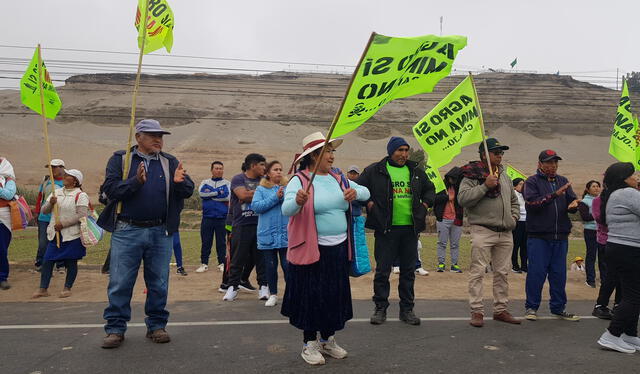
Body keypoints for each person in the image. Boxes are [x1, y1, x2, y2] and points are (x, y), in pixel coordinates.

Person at [98, 119, 194, 349]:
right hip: (127, 230)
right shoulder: (121, 160)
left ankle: (157, 326)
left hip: (161, 231)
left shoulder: (170, 162)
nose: (158, 139)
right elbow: (110, 190)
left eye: (160, 135)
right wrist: (135, 182)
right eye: (152, 135)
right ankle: (115, 329)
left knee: (159, 282)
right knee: (120, 282)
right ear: (138, 137)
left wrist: (180, 183)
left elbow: (188, 190)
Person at [281, 132, 370, 365]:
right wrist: (298, 201)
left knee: (334, 295)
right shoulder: (299, 180)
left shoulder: (338, 178)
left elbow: (366, 192)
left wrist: (355, 192)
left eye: (332, 151)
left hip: (339, 249)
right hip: (312, 250)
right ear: (313, 156)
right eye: (327, 151)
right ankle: (309, 344)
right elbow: (287, 209)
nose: (331, 156)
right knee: (312, 296)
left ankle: (328, 340)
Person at [357, 136, 435, 326]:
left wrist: (424, 205)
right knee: (383, 271)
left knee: (408, 272)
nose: (404, 154)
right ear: (391, 151)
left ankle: (407, 310)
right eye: (400, 150)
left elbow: (431, 190)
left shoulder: (416, 171)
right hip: (386, 230)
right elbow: (357, 188)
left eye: (406, 150)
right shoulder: (375, 170)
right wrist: (368, 203)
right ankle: (380, 309)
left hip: (410, 229)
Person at [457, 138, 521, 327]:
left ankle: (500, 310)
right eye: (496, 152)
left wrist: (514, 218)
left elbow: (514, 201)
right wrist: (485, 186)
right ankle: (477, 311)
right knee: (477, 272)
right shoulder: (471, 175)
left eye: (501, 152)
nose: (500, 155)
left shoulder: (505, 176)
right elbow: (462, 199)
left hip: (505, 232)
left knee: (502, 273)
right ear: (485, 154)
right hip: (482, 230)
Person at [523, 150, 580, 322]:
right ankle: (531, 307)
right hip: (539, 236)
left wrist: (574, 205)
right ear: (540, 164)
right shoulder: (531, 182)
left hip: (560, 236)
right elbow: (532, 204)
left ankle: (558, 308)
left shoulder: (563, 181)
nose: (553, 166)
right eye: (549, 163)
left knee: (559, 274)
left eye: (555, 163)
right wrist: (555, 194)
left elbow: (572, 200)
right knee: (536, 273)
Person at [596, 162, 640, 353]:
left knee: (630, 293)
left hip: (618, 248)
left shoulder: (614, 194)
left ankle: (629, 334)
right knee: (634, 296)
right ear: (624, 178)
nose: (636, 178)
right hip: (629, 249)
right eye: (633, 175)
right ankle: (612, 335)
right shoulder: (628, 193)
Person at [32, 169, 88, 298]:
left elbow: (81, 215)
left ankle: (67, 287)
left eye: (68, 176)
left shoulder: (80, 195)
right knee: (47, 260)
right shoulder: (55, 192)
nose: (65, 176)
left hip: (72, 235)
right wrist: (50, 203)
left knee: (71, 262)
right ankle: (43, 289)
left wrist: (63, 224)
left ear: (75, 181)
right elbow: (44, 211)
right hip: (55, 234)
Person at [222, 153, 269, 301]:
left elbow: (268, 194)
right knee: (237, 258)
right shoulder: (238, 178)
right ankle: (232, 287)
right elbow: (243, 196)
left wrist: (254, 193)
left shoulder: (265, 180)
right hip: (241, 224)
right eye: (262, 164)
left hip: (261, 224)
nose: (264, 168)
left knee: (262, 258)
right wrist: (262, 193)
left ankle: (264, 287)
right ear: (253, 165)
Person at [252, 161, 288, 307]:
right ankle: (273, 294)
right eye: (275, 170)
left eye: (280, 169)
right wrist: (275, 197)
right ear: (268, 173)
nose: (278, 172)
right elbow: (256, 207)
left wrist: (284, 195)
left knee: (288, 266)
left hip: (286, 234)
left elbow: (293, 205)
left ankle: (291, 294)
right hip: (268, 235)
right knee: (270, 266)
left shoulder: (288, 187)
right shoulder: (261, 189)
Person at [591, 192, 621, 320]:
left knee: (624, 276)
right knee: (611, 275)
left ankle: (619, 305)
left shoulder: (624, 197)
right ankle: (600, 305)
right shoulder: (599, 200)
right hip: (607, 241)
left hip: (625, 241)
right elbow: (600, 219)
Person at [196, 161, 230, 273]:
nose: (219, 170)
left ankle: (221, 263)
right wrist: (218, 193)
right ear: (211, 170)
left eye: (221, 168)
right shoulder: (205, 182)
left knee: (221, 242)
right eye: (216, 168)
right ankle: (204, 263)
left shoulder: (227, 183)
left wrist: (211, 195)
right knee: (206, 241)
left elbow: (228, 197)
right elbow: (202, 194)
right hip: (207, 217)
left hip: (222, 217)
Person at [34, 159, 66, 272]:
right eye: (50, 167)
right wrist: (37, 212)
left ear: (62, 167)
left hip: (60, 217)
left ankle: (60, 264)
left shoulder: (68, 181)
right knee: (43, 242)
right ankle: (40, 263)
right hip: (44, 217)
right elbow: (40, 197)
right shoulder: (46, 180)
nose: (52, 169)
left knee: (60, 241)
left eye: (54, 167)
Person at [434, 166, 464, 273]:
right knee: (442, 243)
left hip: (457, 219)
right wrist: (447, 198)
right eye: (451, 178)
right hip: (443, 219)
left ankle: (454, 265)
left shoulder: (460, 188)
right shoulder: (440, 186)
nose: (453, 180)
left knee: (455, 244)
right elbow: (433, 199)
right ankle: (441, 264)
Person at [578, 180, 602, 288]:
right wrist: (598, 215)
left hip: (602, 231)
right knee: (591, 255)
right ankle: (590, 280)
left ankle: (604, 279)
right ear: (588, 189)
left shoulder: (602, 200)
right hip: (590, 231)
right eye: (594, 186)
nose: (596, 188)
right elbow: (585, 217)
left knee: (603, 256)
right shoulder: (584, 202)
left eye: (598, 186)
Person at [0, 157, 16, 290]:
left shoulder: (8, 180)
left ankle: (2, 277)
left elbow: (9, 194)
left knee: (1, 248)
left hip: (2, 217)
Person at [511, 178, 528, 273]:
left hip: (526, 222)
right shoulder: (513, 195)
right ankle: (515, 265)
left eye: (524, 184)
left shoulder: (526, 195)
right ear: (514, 186)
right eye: (520, 184)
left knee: (525, 245)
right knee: (515, 245)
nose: (523, 186)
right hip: (517, 222)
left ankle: (524, 266)